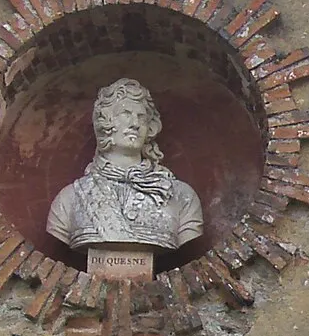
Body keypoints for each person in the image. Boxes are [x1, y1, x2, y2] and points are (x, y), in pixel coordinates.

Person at [46, 78, 203, 251]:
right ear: (105, 122)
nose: (135, 124)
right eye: (126, 114)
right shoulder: (69, 199)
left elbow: (191, 243)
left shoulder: (181, 196)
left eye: (141, 118)